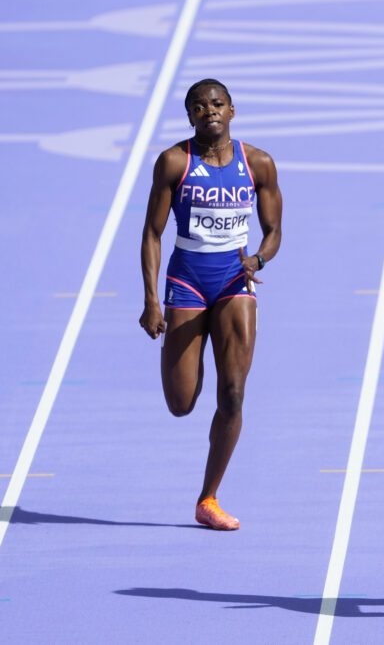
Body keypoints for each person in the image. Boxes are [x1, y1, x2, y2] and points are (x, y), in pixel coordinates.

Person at [139, 79, 282, 530]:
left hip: (234, 282)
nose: (209, 112)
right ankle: (193, 360)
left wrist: (258, 257)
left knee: (234, 394)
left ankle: (209, 498)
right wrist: (151, 301)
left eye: (217, 104)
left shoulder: (257, 163)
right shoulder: (173, 162)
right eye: (199, 107)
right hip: (187, 281)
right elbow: (152, 234)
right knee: (181, 403)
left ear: (232, 111)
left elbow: (274, 231)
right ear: (190, 116)